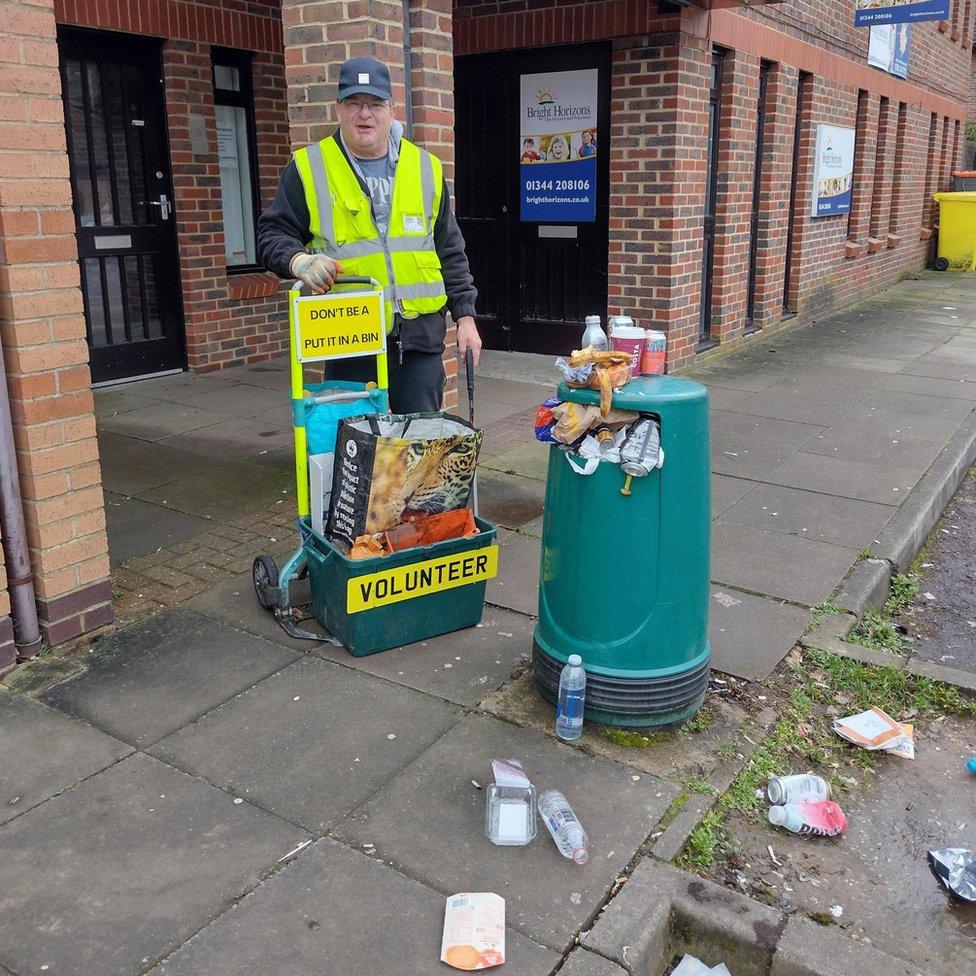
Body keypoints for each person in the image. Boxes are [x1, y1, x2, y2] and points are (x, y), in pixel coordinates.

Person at [257, 57, 481, 413]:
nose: (365, 114)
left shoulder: (425, 168)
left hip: (419, 341)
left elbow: (449, 249)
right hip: (349, 339)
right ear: (338, 109)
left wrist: (465, 317)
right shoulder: (308, 168)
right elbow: (272, 234)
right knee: (358, 453)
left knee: (417, 449)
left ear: (391, 109)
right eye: (354, 103)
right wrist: (298, 261)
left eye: (375, 103)